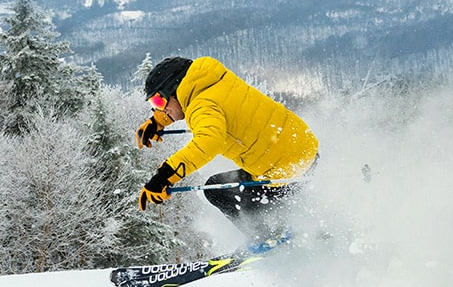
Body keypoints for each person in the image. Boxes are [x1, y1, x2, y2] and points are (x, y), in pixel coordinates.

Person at [136, 56, 319, 240]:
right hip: (302, 149)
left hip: (286, 169)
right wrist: (159, 120)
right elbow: (204, 110)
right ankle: (305, 230)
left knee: (218, 191)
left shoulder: (202, 105)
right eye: (154, 105)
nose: (160, 109)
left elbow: (208, 142)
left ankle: (270, 239)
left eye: (159, 102)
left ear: (173, 89)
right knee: (230, 188)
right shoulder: (213, 82)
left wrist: (163, 177)